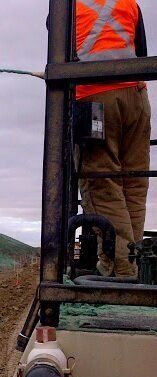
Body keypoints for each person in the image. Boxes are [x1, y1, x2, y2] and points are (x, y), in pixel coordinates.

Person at [75, 0, 151, 277]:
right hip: (136, 99)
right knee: (134, 183)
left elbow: (60, 54)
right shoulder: (129, 4)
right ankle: (131, 264)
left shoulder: (68, 7)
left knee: (102, 184)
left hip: (95, 99)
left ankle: (120, 273)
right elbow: (140, 53)